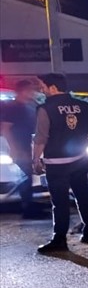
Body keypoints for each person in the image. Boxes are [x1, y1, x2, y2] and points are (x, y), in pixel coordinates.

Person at [30, 73, 88, 254]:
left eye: (43, 86)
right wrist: (86, 145)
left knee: (59, 201)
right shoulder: (84, 106)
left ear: (53, 87)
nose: (41, 90)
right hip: (79, 159)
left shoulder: (45, 108)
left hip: (56, 162)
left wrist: (36, 160)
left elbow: (41, 138)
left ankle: (59, 239)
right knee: (83, 195)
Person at [0, 78, 45, 218]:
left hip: (26, 145)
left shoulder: (29, 106)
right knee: (25, 178)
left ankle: (30, 205)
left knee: (27, 177)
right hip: (19, 147)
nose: (33, 93)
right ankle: (28, 209)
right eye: (30, 90)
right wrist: (14, 148)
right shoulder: (13, 107)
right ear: (22, 91)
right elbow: (6, 129)